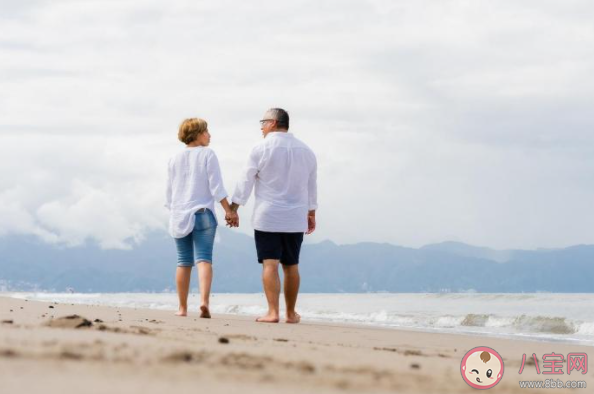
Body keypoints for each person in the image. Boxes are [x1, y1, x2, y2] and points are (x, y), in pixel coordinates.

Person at [230, 108, 317, 324]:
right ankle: (290, 313)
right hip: (296, 216)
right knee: (291, 266)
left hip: (267, 216)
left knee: (270, 264)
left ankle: (272, 312)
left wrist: (233, 208)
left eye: (263, 122)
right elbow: (311, 186)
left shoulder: (260, 148)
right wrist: (311, 212)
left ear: (274, 122)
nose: (261, 127)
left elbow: (245, 181)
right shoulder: (307, 151)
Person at [165, 118, 238, 318]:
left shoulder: (174, 158)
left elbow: (169, 193)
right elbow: (217, 188)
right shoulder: (208, 154)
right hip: (203, 214)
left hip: (179, 214)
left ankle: (182, 308)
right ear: (197, 134)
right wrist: (229, 211)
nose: (209, 135)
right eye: (206, 131)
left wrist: (174, 212)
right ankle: (204, 303)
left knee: (183, 262)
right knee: (204, 259)